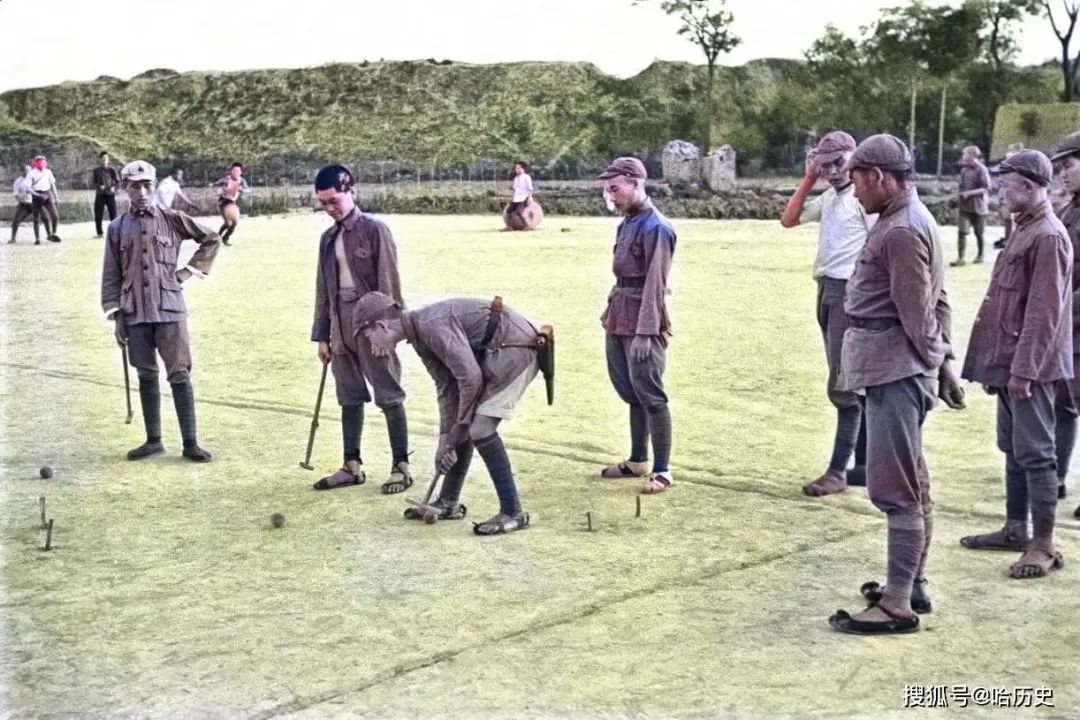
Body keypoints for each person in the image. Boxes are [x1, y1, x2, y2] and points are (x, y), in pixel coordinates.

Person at [827, 134, 965, 636]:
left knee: (897, 487)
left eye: (857, 178)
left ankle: (898, 604)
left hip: (896, 369)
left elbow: (918, 313)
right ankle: (910, 581)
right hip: (897, 367)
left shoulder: (901, 230)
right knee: (913, 479)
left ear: (880, 177)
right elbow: (937, 301)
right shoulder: (906, 219)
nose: (853, 189)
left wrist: (934, 364)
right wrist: (940, 365)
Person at [958, 150, 1072, 580]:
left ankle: (1043, 544)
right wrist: (997, 367)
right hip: (1010, 364)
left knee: (1037, 455)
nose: (999, 191)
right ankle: (1015, 529)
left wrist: (1023, 371)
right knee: (1014, 450)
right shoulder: (1024, 228)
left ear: (1028, 185)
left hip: (1033, 369)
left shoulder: (1047, 235)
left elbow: (1044, 314)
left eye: (1006, 184)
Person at [353, 291, 549, 535]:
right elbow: (448, 389)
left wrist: (458, 429)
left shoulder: (429, 326)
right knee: (465, 422)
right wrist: (446, 440)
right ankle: (448, 501)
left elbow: (470, 378)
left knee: (479, 427)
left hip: (515, 349)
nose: (370, 344)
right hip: (498, 349)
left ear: (381, 325)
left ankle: (513, 511)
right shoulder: (419, 335)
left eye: (367, 335)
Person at [100, 161, 220, 462]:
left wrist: (186, 272)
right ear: (125, 189)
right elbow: (112, 274)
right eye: (135, 186)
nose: (141, 192)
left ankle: (190, 443)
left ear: (154, 186)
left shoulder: (172, 218)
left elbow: (211, 238)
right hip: (134, 312)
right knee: (145, 374)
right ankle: (153, 440)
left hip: (169, 309)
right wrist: (116, 315)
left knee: (179, 373)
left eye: (146, 186)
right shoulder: (116, 228)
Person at [780, 130, 874, 496]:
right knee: (851, 381)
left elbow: (879, 242)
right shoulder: (833, 198)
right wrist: (809, 177)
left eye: (839, 163)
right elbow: (789, 219)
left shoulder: (860, 200)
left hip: (850, 292)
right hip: (828, 291)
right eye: (826, 164)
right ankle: (862, 464)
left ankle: (838, 469)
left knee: (844, 386)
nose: (834, 171)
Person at [310, 164, 413, 494]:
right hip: (340, 326)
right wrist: (322, 335)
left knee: (389, 393)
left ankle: (401, 466)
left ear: (350, 191)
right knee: (349, 396)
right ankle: (351, 466)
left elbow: (389, 284)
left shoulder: (375, 230)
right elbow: (323, 290)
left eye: (334, 200)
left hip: (372, 325)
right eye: (323, 203)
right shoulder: (327, 239)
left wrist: (389, 329)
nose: (329, 208)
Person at [597, 157, 677, 494]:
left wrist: (646, 332)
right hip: (619, 313)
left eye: (614, 189)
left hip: (643, 318)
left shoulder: (656, 227)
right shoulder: (627, 222)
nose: (609, 196)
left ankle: (662, 470)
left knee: (651, 394)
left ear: (635, 182)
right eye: (607, 190)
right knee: (630, 391)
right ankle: (637, 459)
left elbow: (655, 285)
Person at [1051, 131, 1080, 516]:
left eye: (1068, 165)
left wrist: (1060, 304)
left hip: (1072, 320)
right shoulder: (1069, 209)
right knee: (1063, 404)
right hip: (1067, 330)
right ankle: (1053, 477)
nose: (1062, 174)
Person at [952, 145, 991, 266]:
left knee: (979, 233)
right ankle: (960, 258)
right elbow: (961, 186)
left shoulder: (982, 170)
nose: (963, 156)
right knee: (962, 232)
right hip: (965, 207)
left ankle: (980, 255)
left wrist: (969, 193)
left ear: (973, 155)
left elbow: (986, 188)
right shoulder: (964, 170)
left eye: (965, 154)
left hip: (978, 207)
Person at [214, 162, 251, 245]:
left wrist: (242, 190)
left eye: (238, 171)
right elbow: (216, 185)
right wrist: (219, 190)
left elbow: (249, 190)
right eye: (234, 170)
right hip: (224, 202)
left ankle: (225, 238)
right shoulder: (226, 179)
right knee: (228, 223)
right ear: (231, 171)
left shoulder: (241, 180)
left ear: (241, 172)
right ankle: (218, 236)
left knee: (234, 223)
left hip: (233, 203)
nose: (236, 173)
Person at [28, 155, 61, 242]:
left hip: (47, 194)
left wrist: (56, 197)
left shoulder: (48, 172)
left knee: (55, 216)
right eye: (40, 162)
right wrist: (37, 195)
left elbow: (53, 185)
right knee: (36, 218)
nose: (42, 164)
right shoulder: (32, 173)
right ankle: (37, 238)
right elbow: (28, 188)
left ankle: (53, 234)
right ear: (36, 163)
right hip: (36, 195)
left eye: (43, 162)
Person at [10, 163, 40, 244]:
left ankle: (38, 239)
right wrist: (23, 202)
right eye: (26, 170)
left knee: (37, 220)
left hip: (34, 203)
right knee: (16, 220)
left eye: (29, 170)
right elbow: (16, 195)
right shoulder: (18, 182)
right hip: (24, 204)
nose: (28, 172)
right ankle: (13, 239)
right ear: (22, 171)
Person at [93, 151, 120, 237]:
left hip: (110, 194)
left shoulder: (112, 170)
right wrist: (98, 186)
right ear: (100, 160)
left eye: (106, 159)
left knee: (113, 214)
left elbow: (117, 181)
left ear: (108, 160)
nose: (104, 160)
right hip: (100, 194)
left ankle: (114, 232)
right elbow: (94, 182)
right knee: (98, 214)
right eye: (103, 159)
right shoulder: (96, 170)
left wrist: (114, 187)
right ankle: (99, 233)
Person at [505, 161, 533, 227]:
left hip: (524, 198)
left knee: (519, 212)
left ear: (523, 169)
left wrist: (529, 197)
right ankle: (509, 226)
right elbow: (515, 189)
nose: (516, 169)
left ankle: (527, 226)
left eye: (518, 168)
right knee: (508, 211)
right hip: (516, 199)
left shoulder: (527, 177)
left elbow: (530, 188)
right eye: (516, 168)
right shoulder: (516, 178)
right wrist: (512, 198)